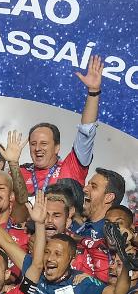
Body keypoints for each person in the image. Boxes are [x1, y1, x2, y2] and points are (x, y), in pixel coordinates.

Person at [20, 55, 104, 195]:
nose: (38, 148)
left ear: (57, 147)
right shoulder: (19, 172)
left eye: (44, 143)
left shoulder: (71, 168)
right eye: (33, 143)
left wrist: (93, 92)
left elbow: (86, 131)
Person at [79, 168, 126, 240]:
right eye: (87, 184)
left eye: (94, 186)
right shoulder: (75, 226)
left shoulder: (112, 237)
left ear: (109, 198)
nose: (84, 189)